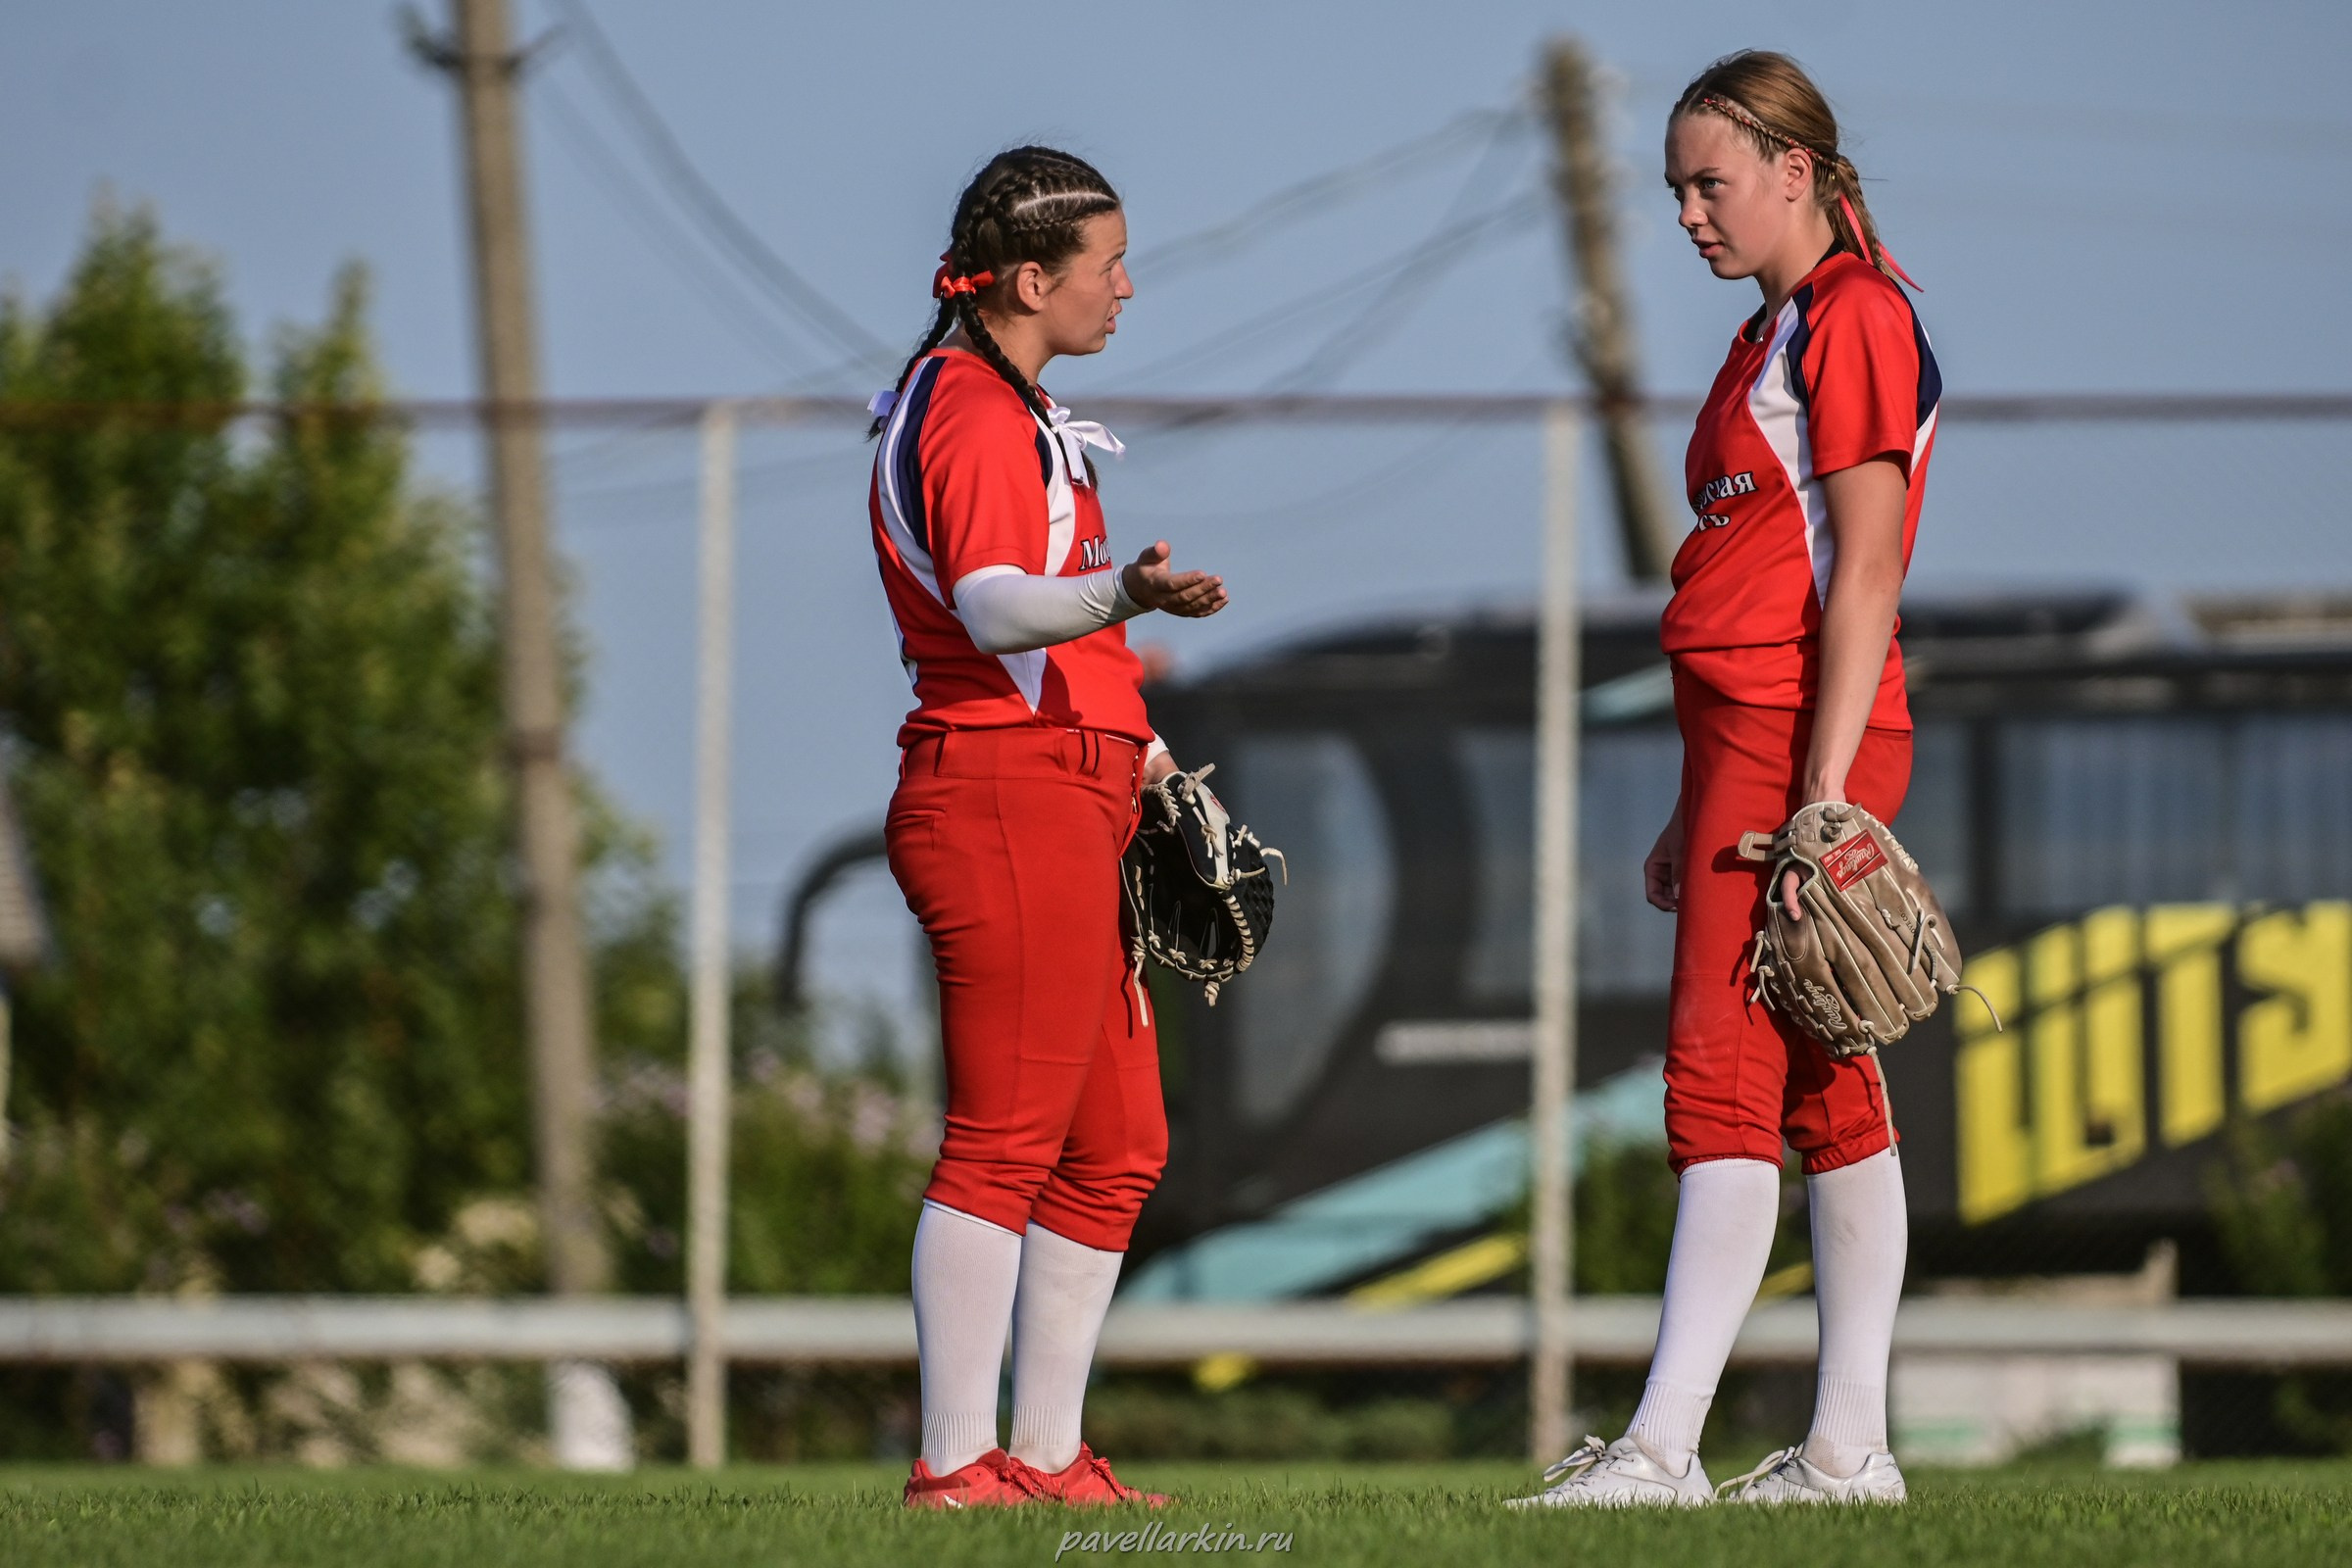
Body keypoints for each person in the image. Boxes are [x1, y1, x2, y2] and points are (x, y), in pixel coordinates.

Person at [1515, 51, 1939, 1508]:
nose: (1690, 212)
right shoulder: (1774, 328)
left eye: (1713, 181)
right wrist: (1696, 805)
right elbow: (1757, 564)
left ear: (1798, 172)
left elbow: (1868, 565)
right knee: (1829, 1092)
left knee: (1722, 1080)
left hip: (1793, 735)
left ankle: (1662, 1448)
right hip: (1747, 745)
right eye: (1676, 187)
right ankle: (1847, 1451)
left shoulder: (1857, 316)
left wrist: (1814, 803)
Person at [867, 146, 1227, 1509]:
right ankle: (956, 1465)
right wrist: (1122, 599)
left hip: (1069, 788)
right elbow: (995, 605)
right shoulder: (965, 403)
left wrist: (1142, 748)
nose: (1125, 288)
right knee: (1006, 1137)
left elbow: (1047, 629)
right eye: (1106, 264)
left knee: (1118, 1140)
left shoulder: (1013, 402)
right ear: (1031, 279)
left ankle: (1047, 1456)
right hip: (1000, 789)